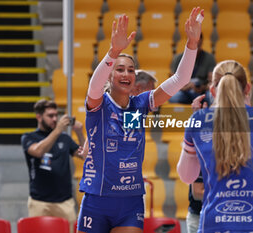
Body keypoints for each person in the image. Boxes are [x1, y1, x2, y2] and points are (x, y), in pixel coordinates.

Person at [77, 7, 203, 233]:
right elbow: (94, 86)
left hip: (131, 199)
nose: (126, 74)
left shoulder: (139, 106)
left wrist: (191, 44)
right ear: (111, 75)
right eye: (120, 70)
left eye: (131, 70)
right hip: (97, 198)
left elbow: (180, 79)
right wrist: (113, 52)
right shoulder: (99, 105)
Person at [177, 60, 253, 233]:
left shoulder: (197, 122)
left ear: (212, 90)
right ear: (247, 88)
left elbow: (187, 176)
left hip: (215, 224)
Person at [21, 99, 85, 233]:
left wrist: (79, 133)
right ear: (39, 116)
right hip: (39, 202)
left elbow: (86, 156)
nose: (55, 119)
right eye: (50, 116)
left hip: (64, 202)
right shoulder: (29, 137)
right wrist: (58, 129)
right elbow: (38, 151)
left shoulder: (65, 138)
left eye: (56, 115)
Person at [169, 33, 215, 105]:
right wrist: (184, 88)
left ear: (202, 41)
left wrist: (202, 88)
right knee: (174, 97)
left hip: (202, 92)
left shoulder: (209, 58)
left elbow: (212, 81)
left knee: (212, 96)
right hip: (183, 91)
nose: (196, 46)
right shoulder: (178, 58)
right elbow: (172, 81)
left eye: (198, 44)